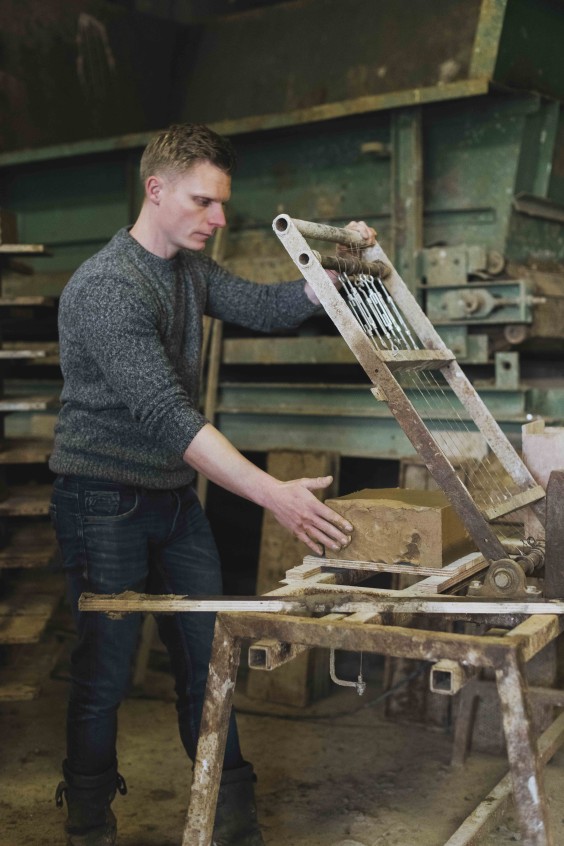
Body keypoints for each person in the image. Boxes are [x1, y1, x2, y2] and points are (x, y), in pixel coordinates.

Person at [49, 122, 375, 846]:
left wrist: (340, 270)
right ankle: (90, 828)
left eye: (223, 203)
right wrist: (273, 493)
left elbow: (262, 307)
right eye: (204, 202)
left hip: (171, 500)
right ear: (155, 190)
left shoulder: (191, 269)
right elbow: (169, 416)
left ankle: (232, 829)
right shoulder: (107, 287)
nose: (220, 219)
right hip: (102, 501)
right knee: (103, 676)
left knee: (211, 662)